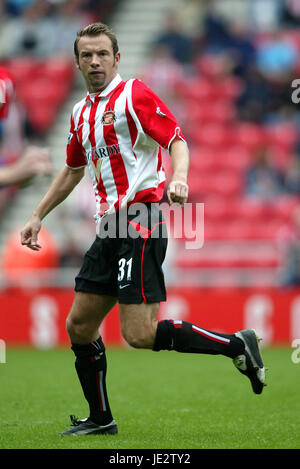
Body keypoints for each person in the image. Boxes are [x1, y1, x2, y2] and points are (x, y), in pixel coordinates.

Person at [20, 22, 266, 436]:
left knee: (138, 334)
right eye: (86, 55)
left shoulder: (134, 94)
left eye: (102, 54)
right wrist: (37, 214)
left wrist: (180, 177)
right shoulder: (81, 113)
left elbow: (177, 139)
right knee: (79, 325)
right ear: (77, 61)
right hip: (108, 226)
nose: (94, 61)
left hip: (141, 218)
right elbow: (72, 171)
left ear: (117, 58)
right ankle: (101, 419)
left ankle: (236, 344)